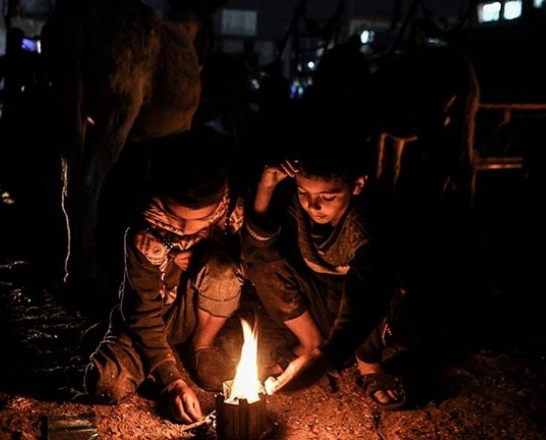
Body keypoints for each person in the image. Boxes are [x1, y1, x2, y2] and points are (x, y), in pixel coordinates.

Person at [83, 127, 246, 424]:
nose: (184, 229)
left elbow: (247, 268)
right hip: (151, 318)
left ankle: (202, 345)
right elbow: (141, 313)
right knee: (106, 383)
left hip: (194, 311)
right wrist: (171, 379)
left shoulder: (229, 214)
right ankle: (157, 357)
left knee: (222, 269)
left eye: (197, 220)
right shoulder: (143, 235)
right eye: (175, 217)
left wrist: (204, 253)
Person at [244, 128, 406, 411]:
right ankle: (309, 342)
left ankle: (369, 364)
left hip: (363, 314)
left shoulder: (364, 227)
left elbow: (366, 294)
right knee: (262, 264)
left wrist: (326, 357)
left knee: (372, 292)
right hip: (321, 301)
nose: (313, 205)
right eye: (303, 192)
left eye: (328, 197)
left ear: (357, 185)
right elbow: (256, 248)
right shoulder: (299, 206)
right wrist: (266, 186)